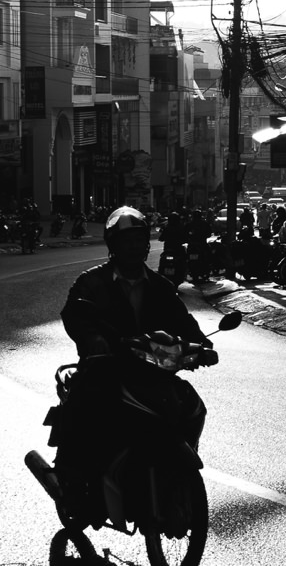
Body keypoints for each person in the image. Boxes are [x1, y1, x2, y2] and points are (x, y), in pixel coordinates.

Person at [50, 206, 207, 514]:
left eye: (140, 240)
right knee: (87, 409)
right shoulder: (91, 283)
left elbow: (183, 321)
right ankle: (73, 477)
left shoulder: (161, 286)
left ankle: (173, 469)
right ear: (114, 246)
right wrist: (93, 340)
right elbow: (75, 316)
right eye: (127, 242)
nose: (135, 247)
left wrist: (201, 345)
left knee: (191, 407)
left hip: (153, 371)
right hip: (105, 368)